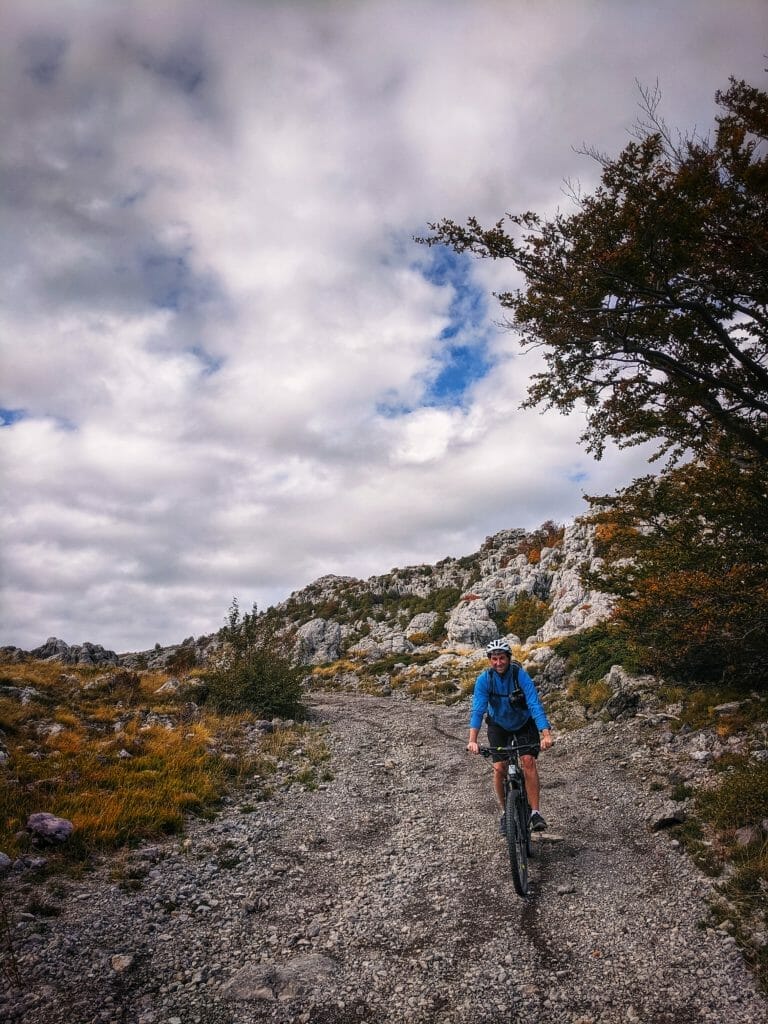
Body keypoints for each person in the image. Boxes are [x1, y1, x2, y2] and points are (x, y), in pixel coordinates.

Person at [467, 638, 553, 834]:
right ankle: (506, 812)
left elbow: (534, 705)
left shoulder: (520, 676)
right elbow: (478, 711)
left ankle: (535, 814)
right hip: (499, 725)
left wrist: (546, 734)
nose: (499, 663)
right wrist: (472, 740)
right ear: (490, 660)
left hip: (524, 723)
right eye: (494, 659)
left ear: (509, 658)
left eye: (502, 658)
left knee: (528, 760)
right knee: (499, 767)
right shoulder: (484, 680)